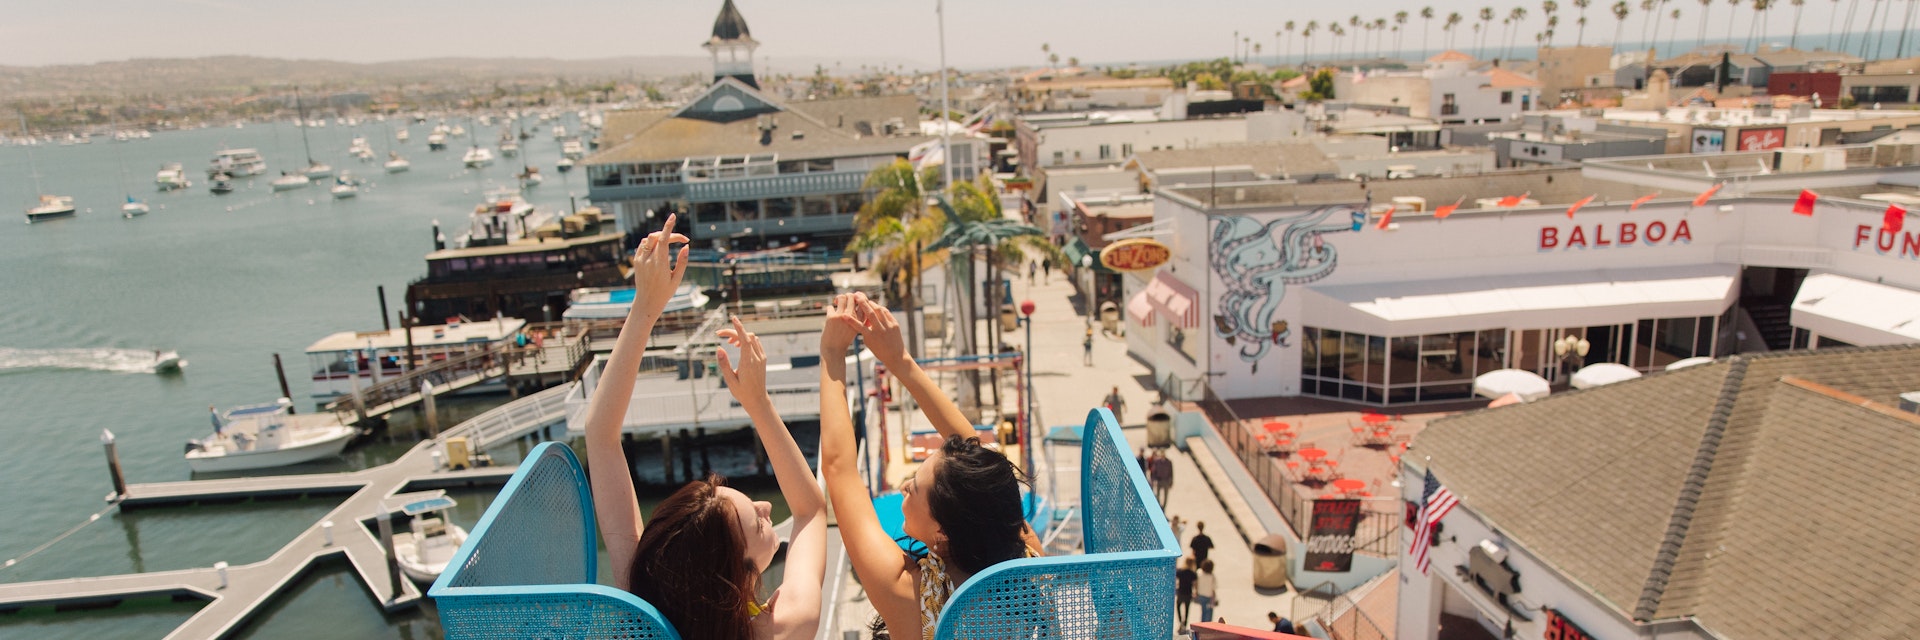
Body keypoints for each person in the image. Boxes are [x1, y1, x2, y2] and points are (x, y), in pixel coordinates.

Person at [583, 214, 828, 640]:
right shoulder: (777, 629)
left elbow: (601, 437)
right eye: (759, 522)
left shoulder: (645, 608)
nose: (768, 507)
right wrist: (758, 403)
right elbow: (810, 510)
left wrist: (645, 306)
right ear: (738, 574)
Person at [818, 293, 1042, 639]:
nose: (905, 485)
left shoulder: (912, 596)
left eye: (915, 487)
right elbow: (983, 470)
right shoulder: (1026, 561)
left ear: (942, 534)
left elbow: (838, 467)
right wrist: (900, 361)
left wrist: (833, 353)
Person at [1175, 556, 1198, 630]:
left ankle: (1180, 621)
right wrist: (1196, 593)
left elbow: (1175, 580)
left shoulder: (1180, 572)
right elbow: (1195, 585)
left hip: (1181, 592)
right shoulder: (1193, 574)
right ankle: (1185, 623)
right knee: (1187, 609)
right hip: (1188, 593)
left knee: (1178, 606)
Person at [1195, 559, 1218, 623]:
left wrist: (1196, 592)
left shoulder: (1199, 572)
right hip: (1208, 596)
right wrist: (1214, 598)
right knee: (1209, 613)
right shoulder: (1212, 576)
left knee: (1203, 612)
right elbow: (1213, 588)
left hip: (1201, 594)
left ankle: (1202, 625)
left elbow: (1196, 583)